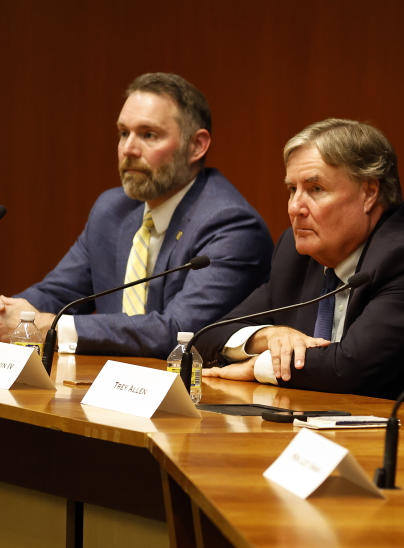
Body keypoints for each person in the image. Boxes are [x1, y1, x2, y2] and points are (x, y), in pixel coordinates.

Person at [196, 119, 404, 407]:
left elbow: (349, 369)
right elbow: (206, 337)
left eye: (315, 189)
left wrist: (258, 367)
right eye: (292, 190)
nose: (295, 207)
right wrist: (269, 336)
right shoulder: (297, 255)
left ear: (369, 193)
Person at [0, 72, 273, 358]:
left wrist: (50, 328)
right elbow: (58, 294)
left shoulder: (231, 225)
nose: (128, 149)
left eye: (148, 135)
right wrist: (9, 312)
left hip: (195, 393)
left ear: (197, 146)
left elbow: (180, 331)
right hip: (110, 385)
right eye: (123, 133)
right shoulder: (111, 210)